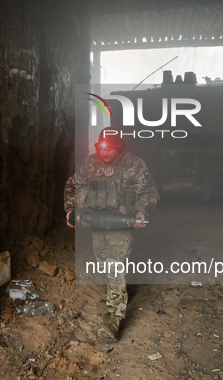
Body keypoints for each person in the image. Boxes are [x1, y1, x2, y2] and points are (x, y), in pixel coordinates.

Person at [64, 127, 159, 340]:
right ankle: (117, 294)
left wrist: (142, 210)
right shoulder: (91, 163)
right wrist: (70, 210)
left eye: (109, 148)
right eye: (101, 148)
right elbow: (72, 185)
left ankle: (113, 319)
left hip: (121, 227)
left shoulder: (134, 164)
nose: (104, 153)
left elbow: (150, 192)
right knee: (105, 264)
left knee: (114, 265)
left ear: (118, 146)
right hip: (97, 225)